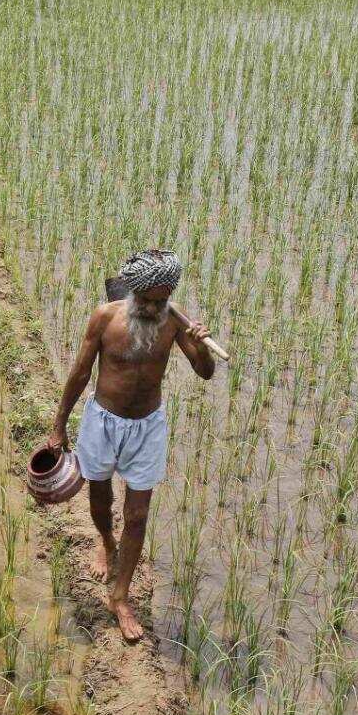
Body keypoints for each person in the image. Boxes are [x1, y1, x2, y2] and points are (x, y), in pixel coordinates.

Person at [46, 249, 215, 642]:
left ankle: (120, 597)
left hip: (147, 427)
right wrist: (59, 426)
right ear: (135, 294)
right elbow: (80, 372)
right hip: (103, 422)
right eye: (150, 300)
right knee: (100, 500)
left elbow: (205, 373)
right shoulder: (105, 318)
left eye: (163, 299)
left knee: (137, 515)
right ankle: (105, 541)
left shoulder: (174, 322)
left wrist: (201, 345)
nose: (156, 307)